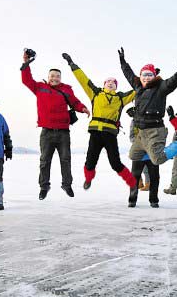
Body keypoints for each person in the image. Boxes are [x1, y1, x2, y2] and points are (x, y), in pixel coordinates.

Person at [118, 47, 177, 208]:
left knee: (156, 162)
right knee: (133, 156)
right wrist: (123, 61)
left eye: (149, 75)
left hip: (155, 131)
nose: (146, 77)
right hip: (140, 133)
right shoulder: (138, 87)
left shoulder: (160, 88)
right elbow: (128, 74)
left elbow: (171, 83)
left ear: (154, 77)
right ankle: (133, 197)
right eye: (144, 75)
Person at [20, 49, 90, 200]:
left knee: (65, 159)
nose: (55, 78)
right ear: (48, 77)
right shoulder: (39, 87)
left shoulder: (66, 89)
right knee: (45, 161)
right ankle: (44, 186)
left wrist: (83, 108)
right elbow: (26, 80)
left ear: (60, 78)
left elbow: (75, 102)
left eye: (57, 76)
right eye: (52, 76)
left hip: (63, 132)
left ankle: (67, 185)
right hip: (46, 132)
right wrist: (26, 63)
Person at [61, 53, 136, 191]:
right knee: (90, 162)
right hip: (95, 133)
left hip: (110, 134)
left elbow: (139, 89)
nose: (111, 83)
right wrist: (71, 63)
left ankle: (132, 183)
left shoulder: (121, 98)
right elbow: (83, 79)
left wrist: (149, 81)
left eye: (113, 82)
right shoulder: (95, 93)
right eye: (108, 81)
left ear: (116, 86)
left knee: (115, 163)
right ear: (104, 84)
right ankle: (88, 179)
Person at [127, 107, 153, 192]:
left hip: (146, 145)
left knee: (146, 166)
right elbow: (132, 134)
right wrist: (135, 142)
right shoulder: (133, 122)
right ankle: (138, 183)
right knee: (135, 166)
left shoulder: (146, 120)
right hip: (137, 146)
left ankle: (148, 184)